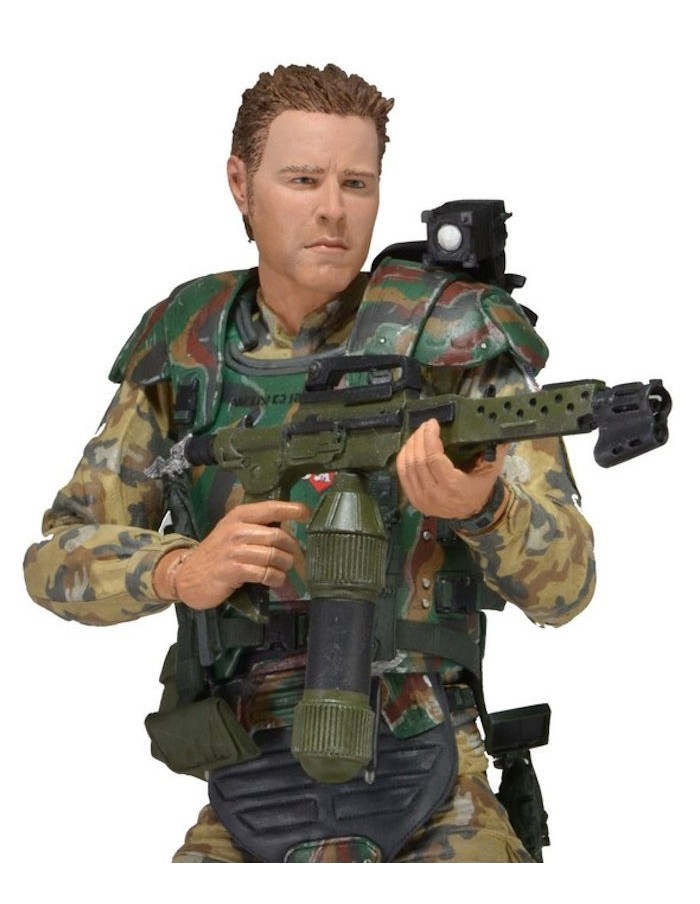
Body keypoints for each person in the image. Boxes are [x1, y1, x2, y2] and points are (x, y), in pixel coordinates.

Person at [23, 63, 595, 863]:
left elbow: (570, 586)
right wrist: (180, 569)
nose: (333, 209)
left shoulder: (453, 338)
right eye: (302, 179)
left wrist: (484, 508)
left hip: (433, 777)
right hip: (250, 785)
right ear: (241, 184)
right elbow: (55, 561)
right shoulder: (189, 347)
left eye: (357, 183)